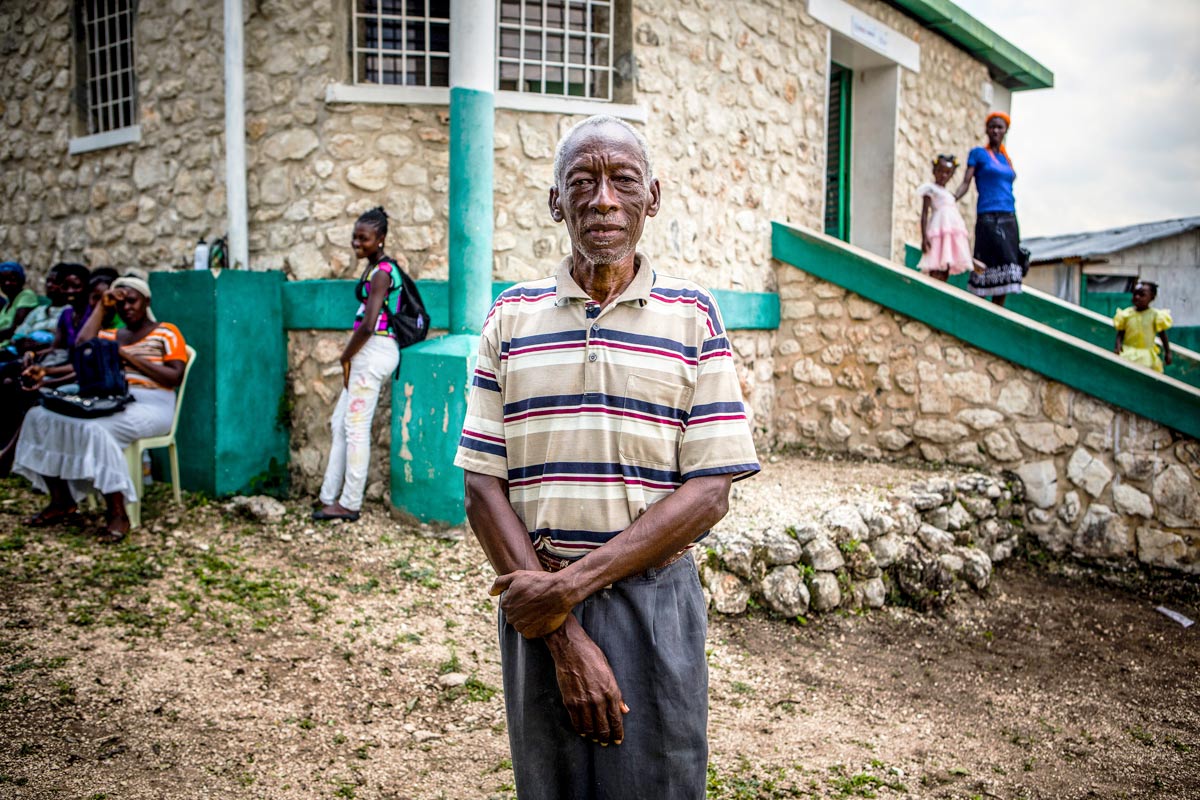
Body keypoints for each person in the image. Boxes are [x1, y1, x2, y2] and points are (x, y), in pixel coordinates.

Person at [454, 115, 759, 800]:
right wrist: (560, 623)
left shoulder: (693, 318)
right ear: (555, 202)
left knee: (661, 783)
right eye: (581, 182)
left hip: (652, 600)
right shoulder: (511, 318)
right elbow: (481, 487)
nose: (603, 200)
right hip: (536, 596)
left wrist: (568, 590)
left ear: (652, 196)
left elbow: (710, 491)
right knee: (551, 783)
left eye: (622, 181)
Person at [14, 277, 189, 542]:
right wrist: (102, 308)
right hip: (111, 398)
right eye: (121, 303)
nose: (127, 307)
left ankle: (118, 513)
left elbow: (173, 377)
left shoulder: (166, 332)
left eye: (133, 301)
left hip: (152, 404)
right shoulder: (109, 335)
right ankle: (62, 501)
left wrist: (127, 356)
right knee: (39, 416)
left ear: (146, 302)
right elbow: (82, 351)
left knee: (97, 429)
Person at [313, 207, 403, 522]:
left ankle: (350, 503)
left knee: (355, 428)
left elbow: (368, 325)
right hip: (369, 352)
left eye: (363, 238)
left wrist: (345, 355)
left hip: (372, 349)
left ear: (380, 239)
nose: (356, 243)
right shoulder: (375, 269)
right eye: (354, 237)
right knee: (341, 424)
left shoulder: (382, 272)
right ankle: (329, 496)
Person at [955, 111, 1024, 305]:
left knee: (1006, 266)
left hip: (1008, 216)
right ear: (986, 129)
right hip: (987, 217)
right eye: (992, 126)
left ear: (1005, 131)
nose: (995, 130)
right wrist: (952, 199)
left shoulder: (1006, 159)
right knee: (983, 265)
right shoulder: (978, 154)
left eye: (999, 127)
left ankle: (998, 311)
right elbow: (966, 182)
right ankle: (978, 309)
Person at [917, 155, 983, 281]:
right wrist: (924, 237)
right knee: (936, 261)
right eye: (940, 171)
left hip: (951, 232)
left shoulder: (949, 195)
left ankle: (968, 260)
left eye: (947, 173)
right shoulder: (930, 189)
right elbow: (925, 213)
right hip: (939, 229)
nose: (943, 175)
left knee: (946, 260)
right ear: (934, 171)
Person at [10, 263, 87, 354]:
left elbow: (60, 345)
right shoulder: (40, 311)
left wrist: (42, 345)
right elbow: (18, 334)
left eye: (55, 282)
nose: (50, 285)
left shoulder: (75, 312)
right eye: (48, 281)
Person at [1114, 281, 1172, 373]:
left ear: (1152, 297)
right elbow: (1120, 333)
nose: (1137, 297)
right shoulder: (1126, 314)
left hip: (1147, 355)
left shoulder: (1156, 315)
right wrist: (1117, 346)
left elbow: (1162, 335)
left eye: (1142, 295)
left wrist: (1168, 352)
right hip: (1128, 353)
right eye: (1135, 294)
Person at [0, 261, 39, 348]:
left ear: (21, 280)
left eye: (12, 280)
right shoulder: (7, 304)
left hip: (10, 347)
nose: (7, 283)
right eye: (3, 280)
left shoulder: (26, 295)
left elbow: (15, 328)